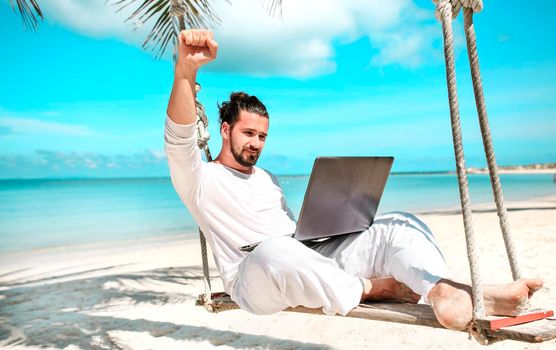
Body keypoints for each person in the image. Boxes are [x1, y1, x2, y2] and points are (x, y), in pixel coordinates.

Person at [164, 29, 543, 330]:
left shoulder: (269, 178)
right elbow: (179, 141)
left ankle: (444, 291)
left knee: (399, 224)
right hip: (254, 277)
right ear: (226, 129)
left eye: (263, 136)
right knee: (274, 251)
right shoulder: (200, 178)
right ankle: (371, 289)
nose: (256, 143)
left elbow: (296, 238)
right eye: (249, 134)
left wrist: (326, 230)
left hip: (307, 259)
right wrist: (186, 71)